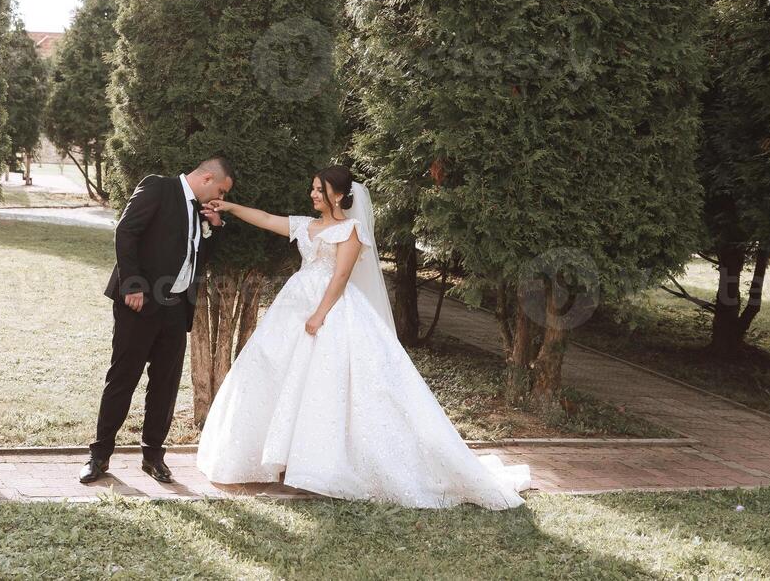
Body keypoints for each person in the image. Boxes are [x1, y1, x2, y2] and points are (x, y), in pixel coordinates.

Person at [195, 165, 529, 510]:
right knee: (280, 375)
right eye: (312, 189)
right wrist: (230, 208)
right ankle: (284, 458)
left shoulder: (350, 231)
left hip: (330, 311)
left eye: (320, 190)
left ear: (338, 196)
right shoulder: (307, 226)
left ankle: (322, 464)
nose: (313, 195)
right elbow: (266, 218)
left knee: (325, 384)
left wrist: (320, 314)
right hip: (293, 307)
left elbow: (340, 276)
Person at [79, 155, 234, 485]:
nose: (221, 198)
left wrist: (216, 229)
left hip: (177, 309)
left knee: (165, 385)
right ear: (207, 178)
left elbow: (198, 257)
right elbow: (126, 231)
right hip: (140, 303)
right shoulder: (157, 187)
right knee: (123, 378)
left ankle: (153, 456)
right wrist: (132, 283)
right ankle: (99, 455)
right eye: (220, 189)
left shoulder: (202, 212)